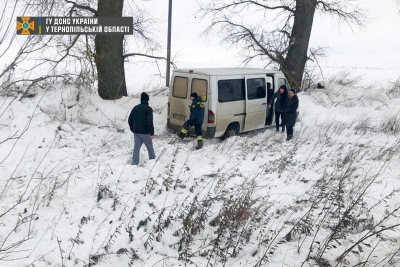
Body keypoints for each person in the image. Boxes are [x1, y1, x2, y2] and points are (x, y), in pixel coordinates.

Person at [128, 92, 155, 165]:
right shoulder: (148, 109)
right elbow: (150, 122)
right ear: (147, 100)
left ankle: (134, 162)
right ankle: (152, 162)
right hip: (146, 133)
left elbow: (130, 119)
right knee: (149, 147)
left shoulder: (135, 108)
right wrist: (152, 133)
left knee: (136, 148)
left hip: (136, 132)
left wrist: (133, 129)